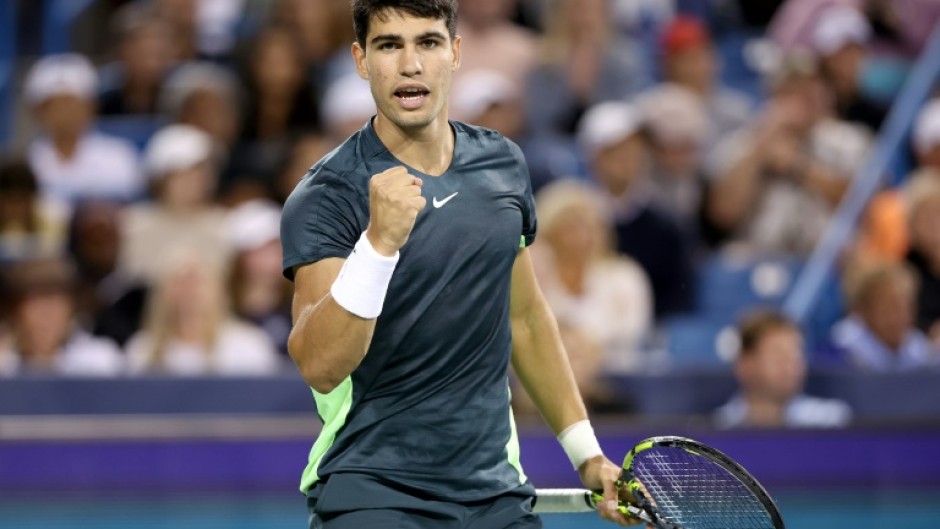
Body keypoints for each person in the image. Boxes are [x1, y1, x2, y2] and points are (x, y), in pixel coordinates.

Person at [280, 1, 637, 527]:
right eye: (388, 45)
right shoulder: (327, 194)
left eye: (427, 42)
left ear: (455, 53)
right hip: (374, 490)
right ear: (361, 60)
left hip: (495, 490)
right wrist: (378, 245)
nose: (410, 64)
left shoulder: (502, 165)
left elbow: (526, 318)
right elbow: (321, 365)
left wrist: (587, 453)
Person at [714, 310, 852, 429]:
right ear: (746, 364)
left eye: (796, 355)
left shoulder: (831, 421)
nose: (790, 365)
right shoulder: (719, 426)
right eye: (778, 355)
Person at [832, 262, 938, 370]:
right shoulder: (842, 349)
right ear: (863, 311)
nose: (900, 316)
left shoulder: (917, 347)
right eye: (889, 308)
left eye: (906, 307)